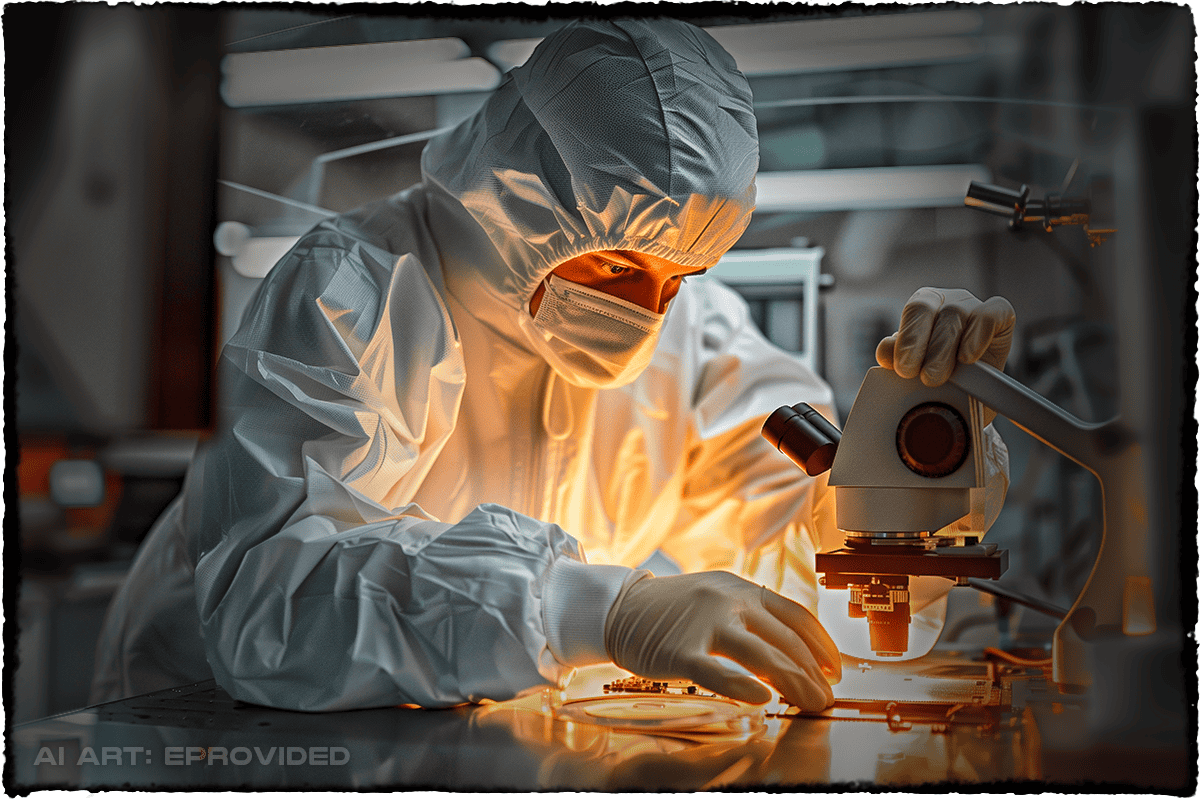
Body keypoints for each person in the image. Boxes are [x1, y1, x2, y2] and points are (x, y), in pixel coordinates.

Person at [90, 18, 1013, 712]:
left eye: (679, 275)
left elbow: (803, 586)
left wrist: (906, 485)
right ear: (517, 197)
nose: (647, 311)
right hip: (212, 730)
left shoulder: (698, 341)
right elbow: (275, 606)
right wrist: (590, 609)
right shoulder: (355, 294)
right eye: (615, 265)